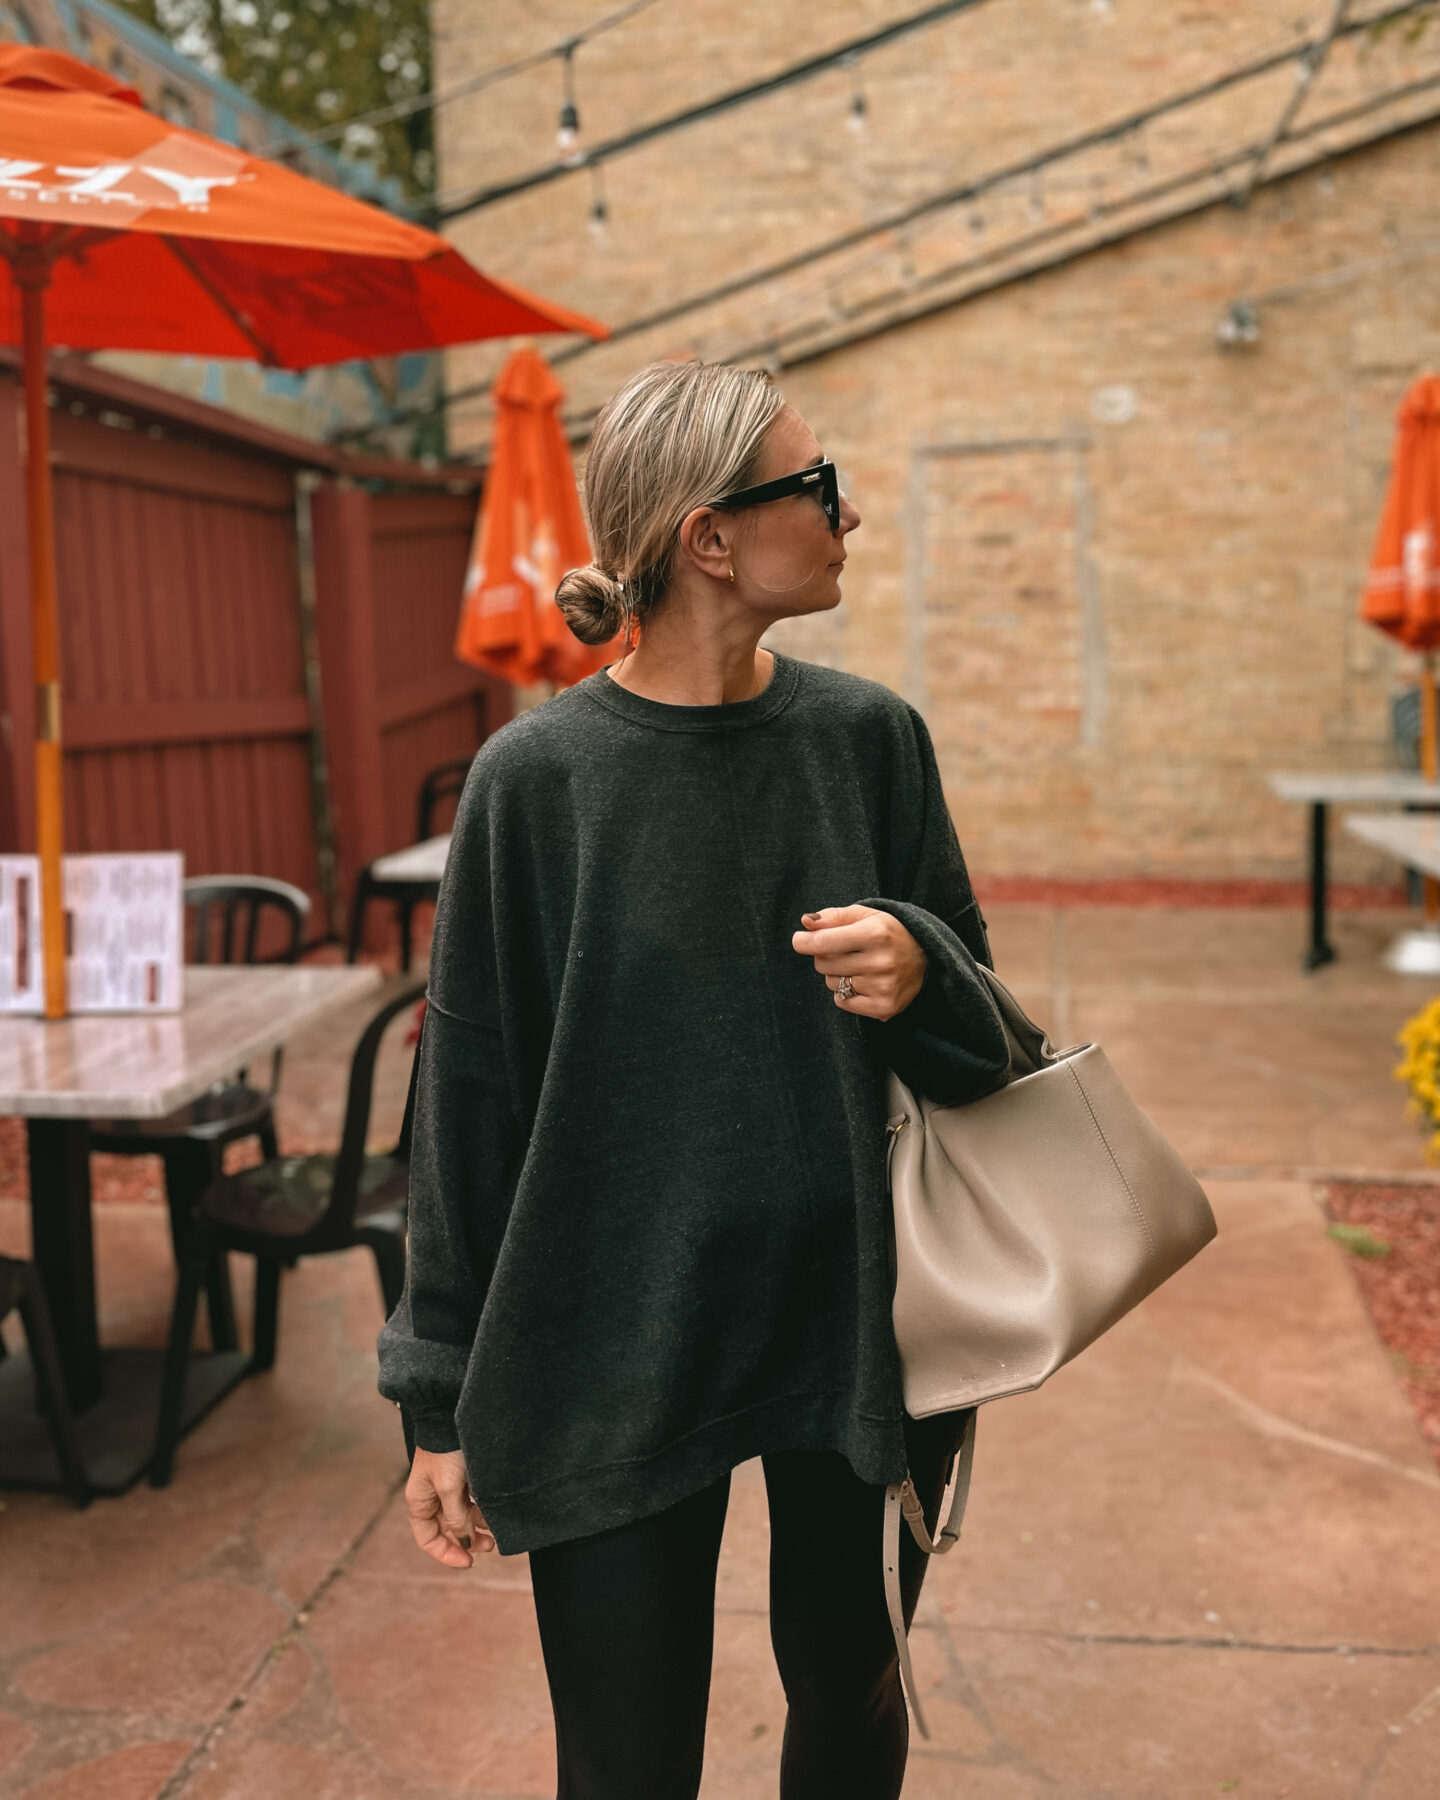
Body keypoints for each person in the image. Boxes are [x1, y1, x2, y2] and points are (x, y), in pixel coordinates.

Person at [377, 359, 1010, 1800]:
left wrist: (920, 970)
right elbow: (467, 1104)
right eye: (819, 489)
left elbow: (993, 1036)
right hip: (609, 1337)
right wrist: (434, 1395)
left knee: (850, 1708)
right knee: (623, 1763)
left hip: (859, 1329)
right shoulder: (535, 784)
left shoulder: (870, 742)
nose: (850, 516)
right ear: (709, 537)